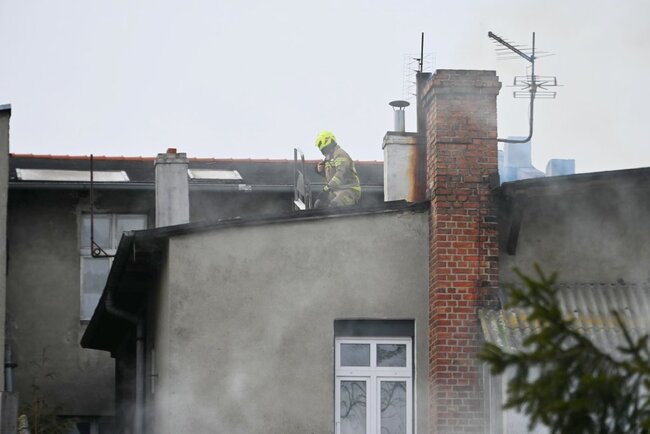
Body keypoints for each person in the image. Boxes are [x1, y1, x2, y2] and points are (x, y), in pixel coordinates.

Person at [313, 131, 361, 208]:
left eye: (323, 149)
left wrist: (327, 189)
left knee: (334, 206)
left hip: (349, 190)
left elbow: (341, 174)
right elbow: (330, 175)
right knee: (319, 204)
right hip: (336, 190)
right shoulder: (329, 158)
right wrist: (319, 170)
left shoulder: (340, 154)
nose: (323, 152)